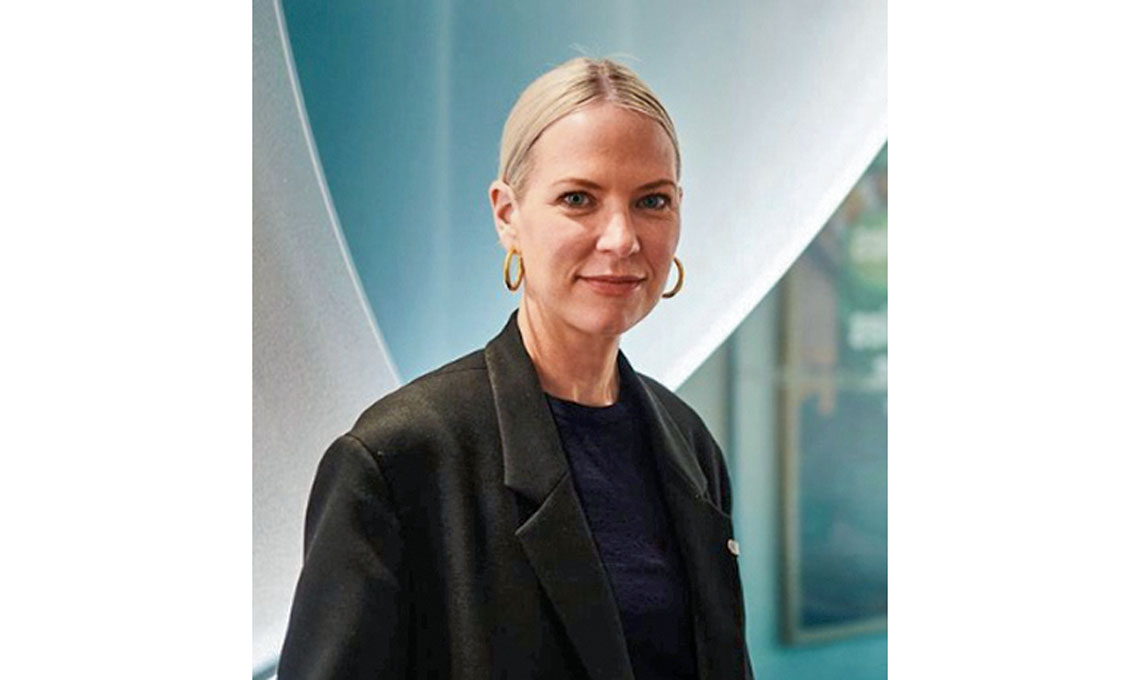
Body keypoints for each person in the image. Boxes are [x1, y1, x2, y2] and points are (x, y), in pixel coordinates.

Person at [278, 56, 753, 680]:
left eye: (651, 201)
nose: (621, 238)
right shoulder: (398, 459)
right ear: (507, 215)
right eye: (578, 199)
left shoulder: (691, 446)